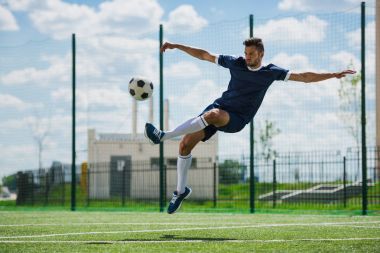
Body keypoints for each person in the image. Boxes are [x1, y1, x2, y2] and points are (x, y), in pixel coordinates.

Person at [144, 37, 355, 214]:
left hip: (236, 118)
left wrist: (333, 74)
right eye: (245, 53)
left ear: (261, 54)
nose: (247, 57)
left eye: (251, 54)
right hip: (217, 110)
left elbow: (304, 77)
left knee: (213, 115)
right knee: (185, 146)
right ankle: (180, 191)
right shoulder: (235, 63)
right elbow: (204, 55)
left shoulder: (271, 72)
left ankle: (163, 136)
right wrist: (176, 46)